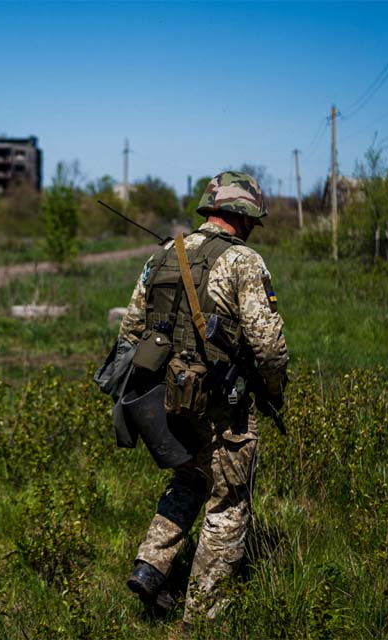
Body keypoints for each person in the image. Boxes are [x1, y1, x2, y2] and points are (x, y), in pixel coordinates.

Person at [117, 170, 289, 628]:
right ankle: (203, 616)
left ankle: (150, 567)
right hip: (221, 406)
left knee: (187, 482)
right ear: (245, 215)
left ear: (210, 208)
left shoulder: (164, 256)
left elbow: (130, 331)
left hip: (169, 402)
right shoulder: (245, 262)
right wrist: (274, 392)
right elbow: (269, 348)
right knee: (228, 503)